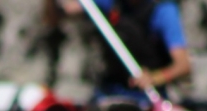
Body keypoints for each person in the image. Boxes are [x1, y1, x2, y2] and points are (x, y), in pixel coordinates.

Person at [51, 0, 191, 103]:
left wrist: (154, 78)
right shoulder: (111, 4)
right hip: (109, 93)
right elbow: (68, 9)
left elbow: (183, 66)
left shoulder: (163, 11)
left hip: (145, 98)